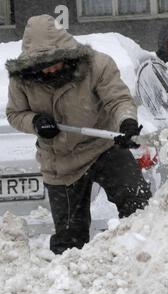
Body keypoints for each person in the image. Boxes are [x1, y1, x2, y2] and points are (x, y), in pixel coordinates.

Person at [5, 15, 152, 255]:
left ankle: (142, 256)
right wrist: (36, 121)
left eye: (55, 60)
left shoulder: (98, 65)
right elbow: (14, 114)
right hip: (59, 160)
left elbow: (118, 100)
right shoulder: (22, 79)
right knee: (69, 239)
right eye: (41, 63)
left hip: (103, 147)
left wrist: (127, 123)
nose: (49, 68)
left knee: (139, 208)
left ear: (67, 52)